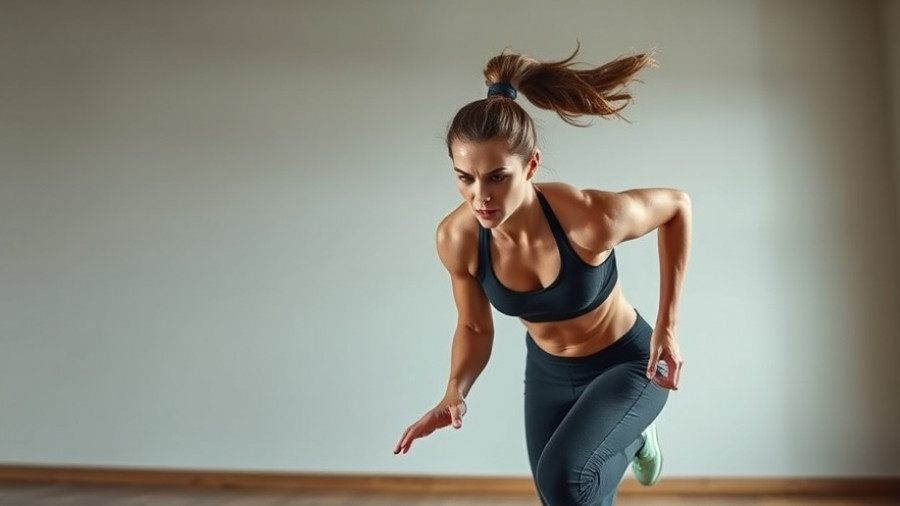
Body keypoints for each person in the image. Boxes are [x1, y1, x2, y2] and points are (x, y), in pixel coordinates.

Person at [393, 44, 691, 506]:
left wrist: (668, 327)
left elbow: (677, 206)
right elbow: (474, 326)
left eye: (497, 177)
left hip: (629, 364)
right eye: (465, 178)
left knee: (563, 481)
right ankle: (628, 444)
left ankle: (635, 436)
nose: (480, 197)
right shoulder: (458, 238)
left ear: (529, 166)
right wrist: (455, 390)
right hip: (549, 370)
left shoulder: (589, 218)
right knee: (566, 497)